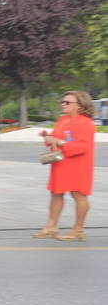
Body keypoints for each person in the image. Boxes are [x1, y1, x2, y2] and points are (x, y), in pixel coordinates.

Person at [36, 90, 96, 241]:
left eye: (67, 102)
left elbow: (83, 147)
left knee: (79, 194)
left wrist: (60, 142)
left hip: (78, 164)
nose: (63, 104)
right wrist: (48, 137)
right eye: (62, 102)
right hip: (61, 162)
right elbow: (57, 137)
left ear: (80, 106)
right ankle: (52, 225)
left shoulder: (85, 122)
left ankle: (78, 229)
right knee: (56, 193)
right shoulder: (63, 120)